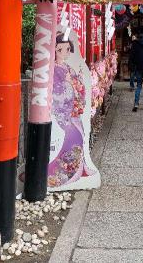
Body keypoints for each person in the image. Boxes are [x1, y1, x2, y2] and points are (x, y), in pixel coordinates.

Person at [48, 32, 95, 187]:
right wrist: (70, 85)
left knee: (80, 136)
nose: (64, 53)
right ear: (54, 49)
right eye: (60, 50)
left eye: (67, 49)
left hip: (72, 111)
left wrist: (78, 82)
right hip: (62, 112)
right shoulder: (54, 69)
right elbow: (57, 92)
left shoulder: (67, 67)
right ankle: (62, 172)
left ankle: (78, 169)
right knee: (73, 137)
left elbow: (78, 86)